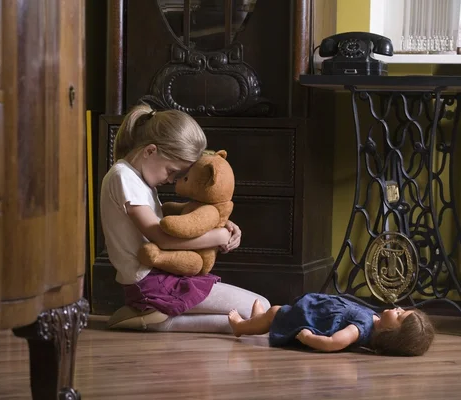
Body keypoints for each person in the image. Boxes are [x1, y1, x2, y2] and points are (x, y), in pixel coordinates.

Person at [100, 103, 271, 333]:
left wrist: (220, 223)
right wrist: (216, 236)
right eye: (171, 171)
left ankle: (154, 317)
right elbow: (162, 239)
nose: (171, 180)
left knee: (248, 319)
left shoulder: (137, 179)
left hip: (159, 278)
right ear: (150, 151)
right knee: (259, 309)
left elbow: (171, 219)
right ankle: (153, 315)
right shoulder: (124, 177)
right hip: (152, 283)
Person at [227, 293, 435, 356]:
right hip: (315, 313)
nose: (398, 309)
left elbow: (334, 342)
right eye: (402, 310)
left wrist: (309, 338)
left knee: (276, 313)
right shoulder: (374, 319)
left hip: (310, 322)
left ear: (390, 333)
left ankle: (241, 327)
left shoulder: (360, 329)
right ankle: (258, 321)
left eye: (399, 316)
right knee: (277, 312)